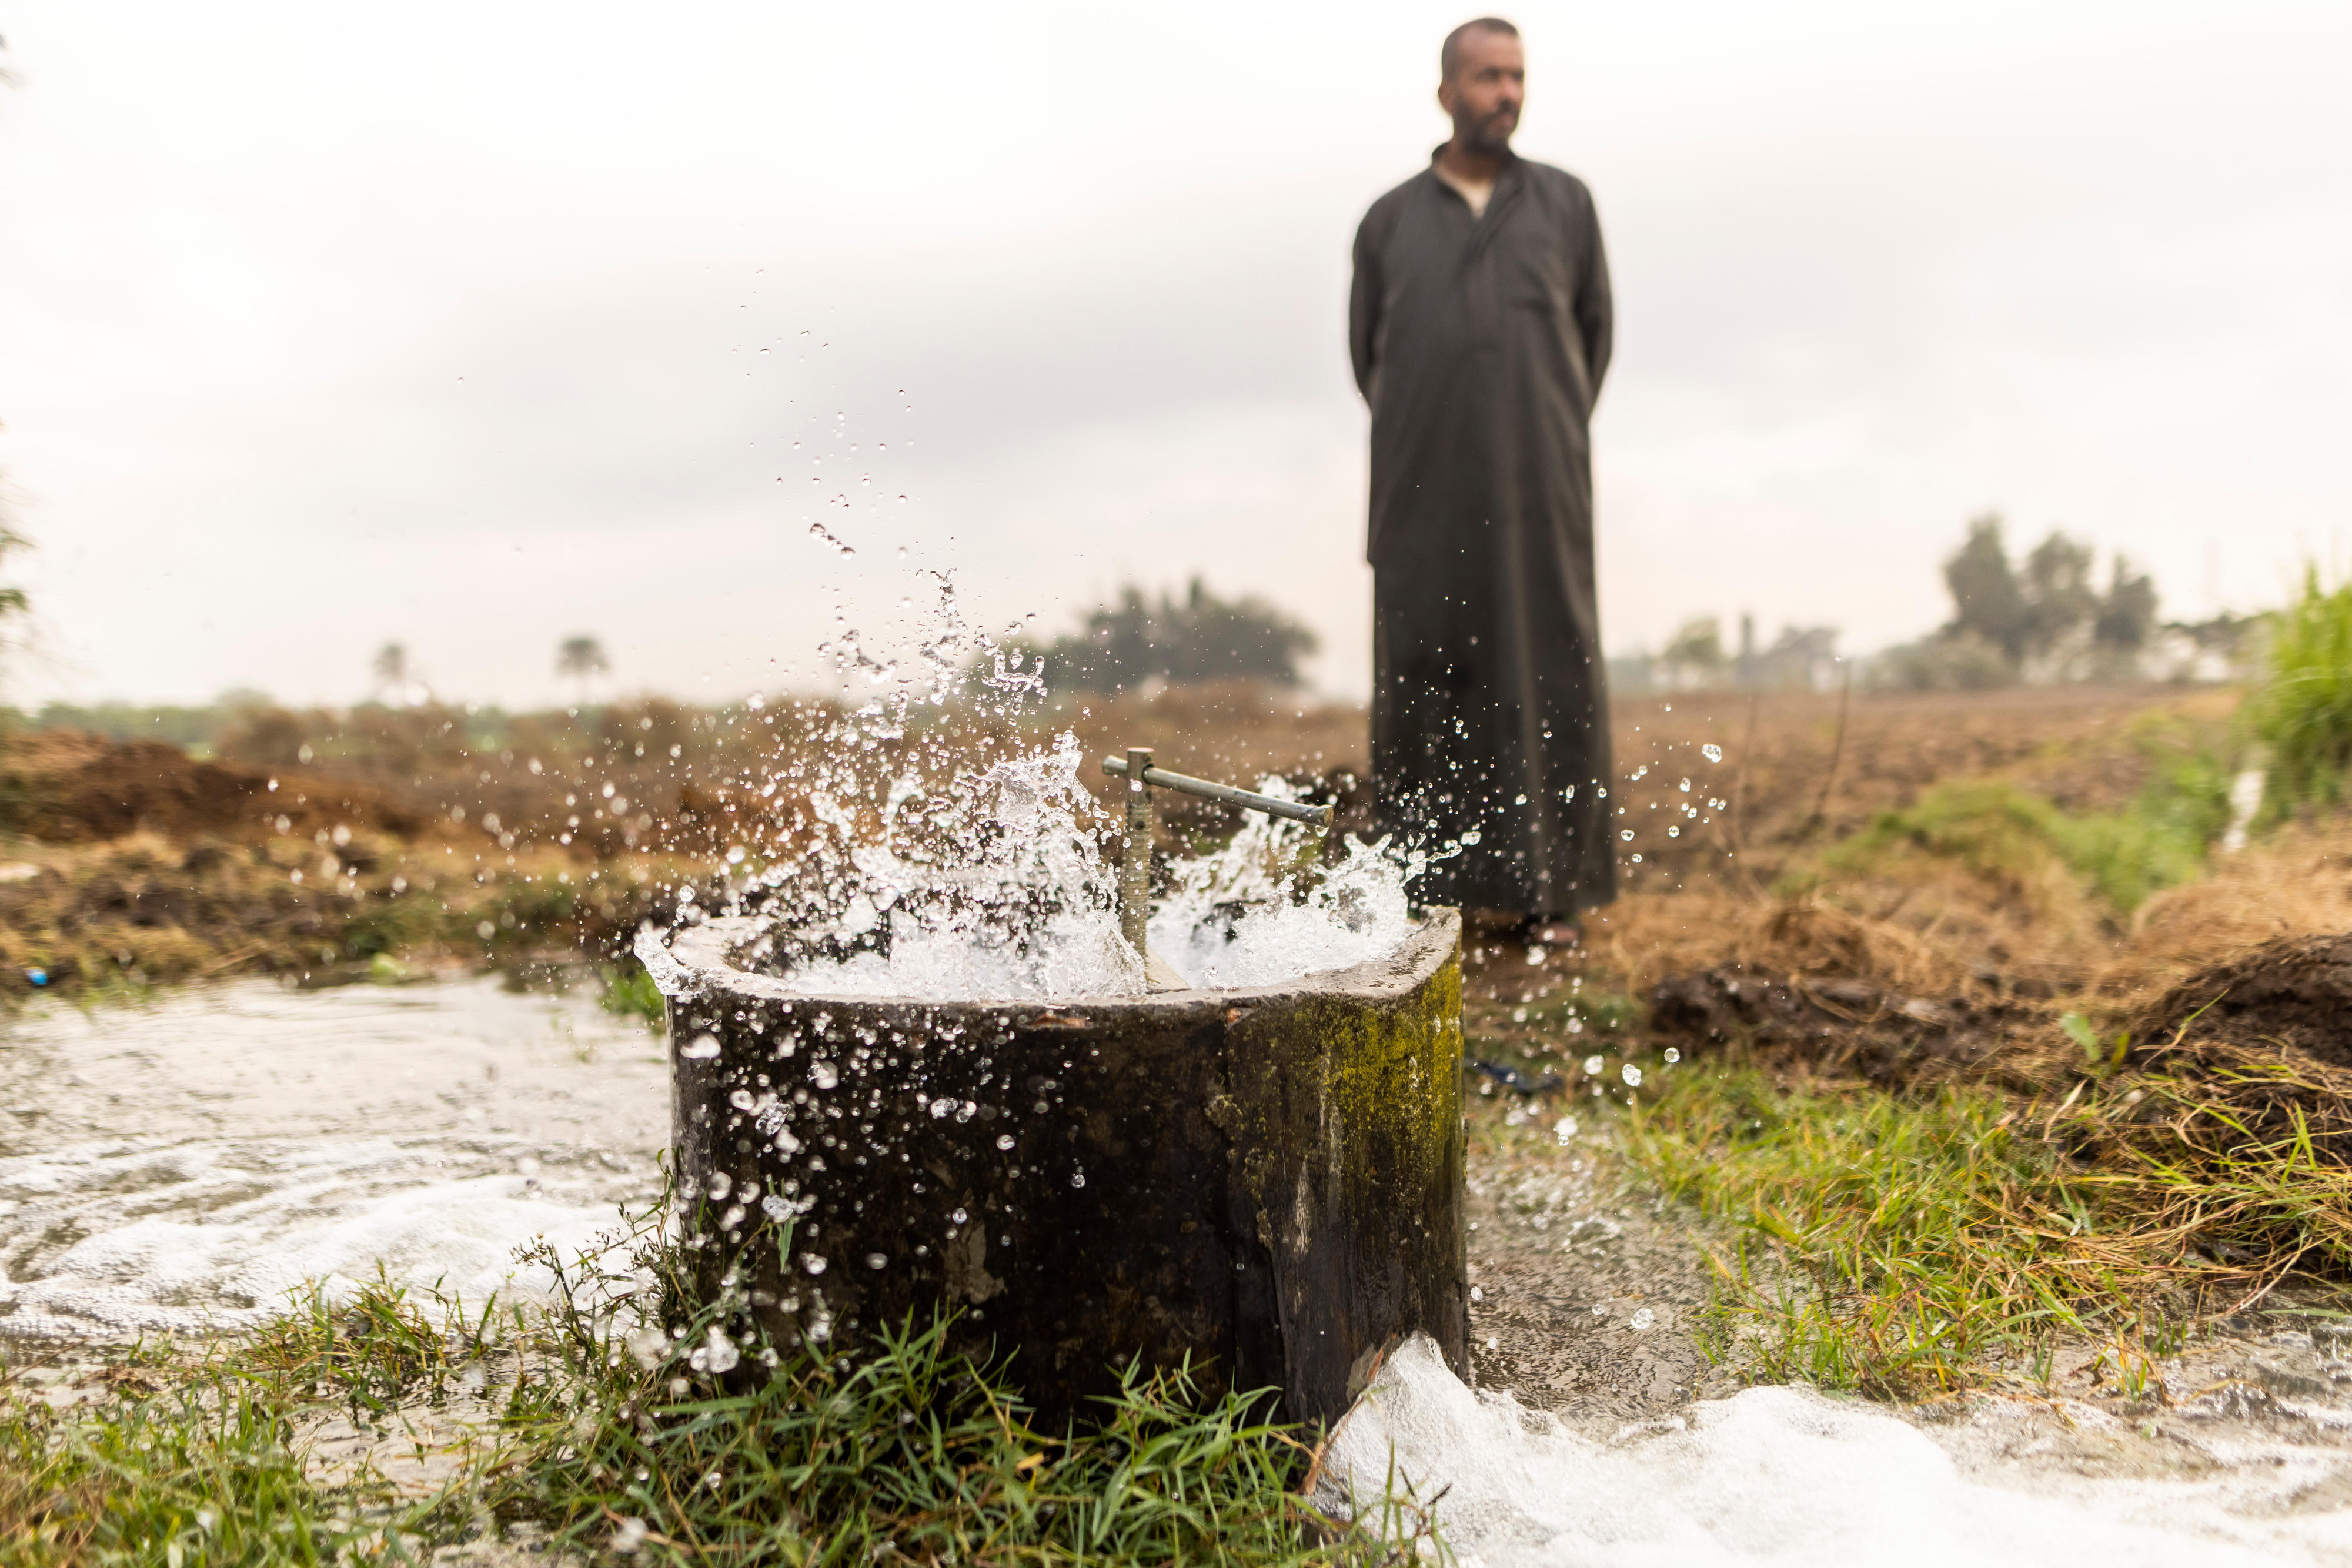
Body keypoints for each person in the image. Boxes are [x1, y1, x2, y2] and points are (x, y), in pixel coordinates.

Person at [1349, 16, 1614, 944]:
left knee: (1551, 675)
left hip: (1541, 496)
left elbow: (1593, 342)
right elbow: (1366, 362)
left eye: (1518, 76)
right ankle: (1426, 899)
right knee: (1425, 683)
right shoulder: (1387, 222)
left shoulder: (1566, 206)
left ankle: (1554, 897)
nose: (1506, 92)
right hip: (1421, 498)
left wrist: (1533, 436)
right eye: (1488, 76)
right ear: (1447, 92)